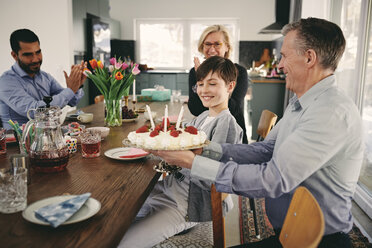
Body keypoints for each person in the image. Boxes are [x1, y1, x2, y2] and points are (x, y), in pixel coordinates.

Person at [152, 18, 363, 248]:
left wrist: (196, 164)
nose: (280, 65)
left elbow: (272, 179)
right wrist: (206, 149)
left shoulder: (330, 112)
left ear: (309, 58)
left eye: (284, 56)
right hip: (289, 233)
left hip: (317, 242)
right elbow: (265, 149)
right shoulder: (301, 102)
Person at [118, 56, 243, 248]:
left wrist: (184, 159)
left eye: (212, 83)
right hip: (169, 191)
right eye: (200, 84)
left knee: (124, 242)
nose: (204, 90)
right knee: (116, 218)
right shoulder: (202, 117)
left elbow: (213, 179)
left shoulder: (226, 123)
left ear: (230, 86)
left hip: (188, 206)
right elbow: (176, 142)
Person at [0, 29, 86, 129]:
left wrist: (77, 85)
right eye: (28, 55)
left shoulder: (45, 77)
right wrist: (70, 90)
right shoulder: (6, 82)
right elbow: (34, 111)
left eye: (38, 52)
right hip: (18, 141)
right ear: (14, 55)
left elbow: (71, 101)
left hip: (46, 136)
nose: (35, 59)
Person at [188, 25, 248, 143]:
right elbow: (195, 109)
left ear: (227, 47)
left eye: (217, 44)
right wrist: (201, 78)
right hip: (205, 133)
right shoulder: (194, 72)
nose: (212, 49)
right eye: (208, 44)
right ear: (202, 47)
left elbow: (234, 109)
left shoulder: (239, 71)